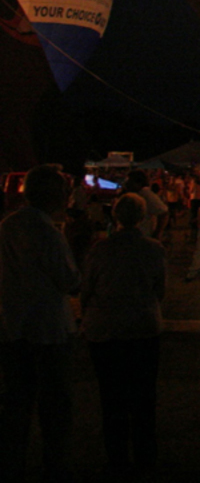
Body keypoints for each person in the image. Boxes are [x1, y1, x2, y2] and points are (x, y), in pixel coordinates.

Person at [0, 165, 80, 482]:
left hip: (12, 323)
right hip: (48, 329)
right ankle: (55, 463)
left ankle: (11, 460)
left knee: (15, 402)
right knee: (55, 403)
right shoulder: (48, 232)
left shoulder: (8, 226)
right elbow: (70, 280)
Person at [81, 192, 167, 474]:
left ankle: (117, 456)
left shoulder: (100, 249)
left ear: (114, 215)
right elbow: (159, 289)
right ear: (142, 218)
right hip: (142, 326)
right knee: (143, 396)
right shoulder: (153, 249)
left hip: (107, 328)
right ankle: (145, 455)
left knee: (112, 396)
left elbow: (87, 287)